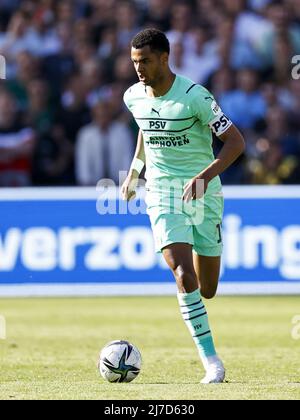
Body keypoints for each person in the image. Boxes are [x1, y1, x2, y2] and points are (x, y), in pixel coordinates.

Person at [121, 29, 245, 384]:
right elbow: (146, 128)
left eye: (145, 60)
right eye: (134, 62)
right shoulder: (133, 97)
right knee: (180, 273)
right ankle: (212, 362)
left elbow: (235, 143)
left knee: (207, 288)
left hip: (203, 193)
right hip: (162, 192)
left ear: (164, 58)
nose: (139, 69)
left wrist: (205, 176)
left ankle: (198, 293)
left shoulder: (195, 97)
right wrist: (134, 172)